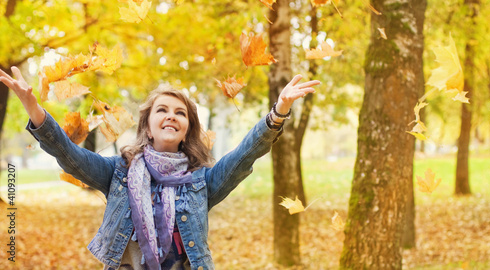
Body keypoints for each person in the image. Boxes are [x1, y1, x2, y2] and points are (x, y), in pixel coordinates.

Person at [0, 66, 320, 270]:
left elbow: (243, 157)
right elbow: (69, 155)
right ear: (149, 128)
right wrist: (36, 113)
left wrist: (278, 113)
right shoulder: (118, 173)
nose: (171, 115)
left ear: (186, 129)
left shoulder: (201, 181)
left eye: (180, 113)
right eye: (162, 110)